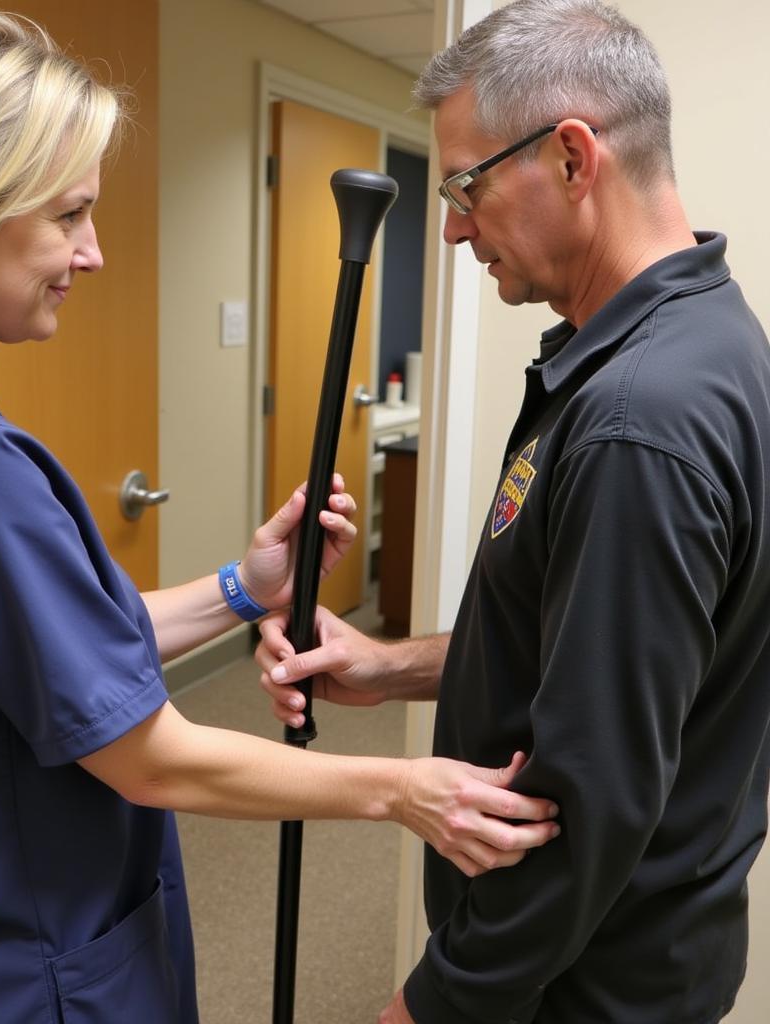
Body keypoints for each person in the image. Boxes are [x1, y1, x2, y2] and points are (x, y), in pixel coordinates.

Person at [0, 9, 562, 1023]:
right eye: (69, 214)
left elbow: (37, 645)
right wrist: (403, 788)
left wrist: (242, 587)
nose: (91, 254)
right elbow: (148, 752)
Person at [257, 1, 770, 1021]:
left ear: (573, 159)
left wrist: (429, 1006)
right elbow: (586, 649)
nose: (450, 224)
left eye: (463, 184)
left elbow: (586, 803)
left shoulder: (638, 422)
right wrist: (386, 665)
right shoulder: (695, 348)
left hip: (582, 985)